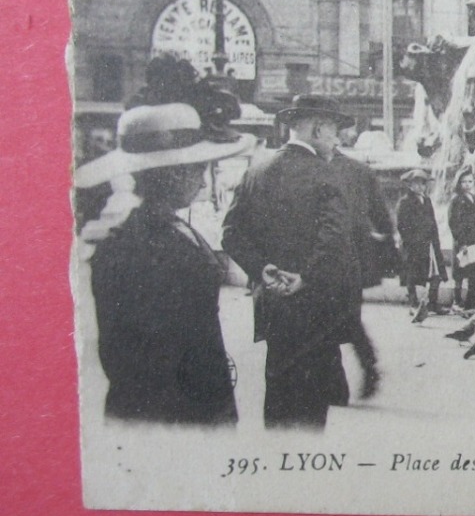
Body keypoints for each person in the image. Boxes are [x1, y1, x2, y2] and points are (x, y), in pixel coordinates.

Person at [80, 102, 252, 425]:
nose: (202, 183)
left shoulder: (153, 233)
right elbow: (164, 356)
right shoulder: (145, 246)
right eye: (196, 170)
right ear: (170, 173)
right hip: (171, 416)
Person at [222, 95, 360, 430]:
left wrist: (262, 269)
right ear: (316, 129)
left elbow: (230, 234)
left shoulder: (256, 171)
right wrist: (305, 278)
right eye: (334, 131)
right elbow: (334, 240)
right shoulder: (327, 176)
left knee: (279, 390)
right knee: (311, 405)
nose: (337, 140)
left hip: (272, 302)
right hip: (315, 305)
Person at [329, 124, 393, 398]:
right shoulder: (359, 170)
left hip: (336, 256)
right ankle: (366, 367)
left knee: (330, 319)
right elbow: (382, 217)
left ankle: (343, 381)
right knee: (346, 317)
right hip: (351, 257)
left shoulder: (351, 171)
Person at [396, 168, 445, 310]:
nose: (419, 187)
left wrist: (435, 240)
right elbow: (401, 225)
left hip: (428, 243)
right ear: (409, 185)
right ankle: (413, 301)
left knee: (436, 273)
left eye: (422, 184)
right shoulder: (404, 202)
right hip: (412, 245)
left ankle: (433, 302)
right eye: (416, 184)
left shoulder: (427, 201)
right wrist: (411, 241)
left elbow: (432, 222)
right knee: (411, 274)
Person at [447, 167, 475, 310]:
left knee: (473, 272)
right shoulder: (457, 201)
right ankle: (457, 301)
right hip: (463, 242)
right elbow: (454, 223)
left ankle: (470, 302)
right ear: (458, 183)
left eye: (470, 181)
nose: (467, 184)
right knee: (460, 273)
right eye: (463, 182)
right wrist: (461, 241)